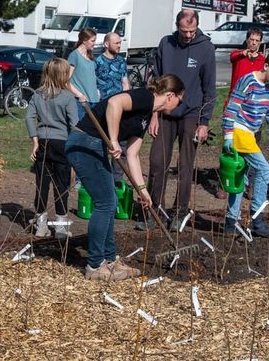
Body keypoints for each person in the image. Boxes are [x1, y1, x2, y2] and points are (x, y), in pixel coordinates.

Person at [68, 74, 184, 280]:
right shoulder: (144, 97)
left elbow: (132, 154)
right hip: (84, 143)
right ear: (169, 96)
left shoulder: (147, 115)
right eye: (179, 99)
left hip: (95, 146)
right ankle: (95, 266)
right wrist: (113, 140)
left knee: (110, 202)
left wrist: (143, 190)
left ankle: (110, 261)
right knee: (106, 203)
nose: (178, 104)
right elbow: (114, 102)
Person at [146, 9, 215, 229]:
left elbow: (209, 88)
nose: (188, 35)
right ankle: (153, 209)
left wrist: (204, 122)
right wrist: (154, 115)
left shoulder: (205, 48)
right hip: (165, 113)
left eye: (192, 31)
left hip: (191, 112)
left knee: (185, 165)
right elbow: (155, 82)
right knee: (157, 162)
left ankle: (179, 212)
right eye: (184, 31)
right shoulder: (166, 44)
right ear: (177, 26)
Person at [223, 51, 269, 236]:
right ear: (266, 66)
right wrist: (227, 135)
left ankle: (230, 222)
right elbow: (232, 107)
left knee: (239, 178)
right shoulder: (248, 81)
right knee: (265, 170)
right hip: (239, 130)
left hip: (250, 133)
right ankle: (257, 219)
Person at [24, 57, 78, 239]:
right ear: (63, 75)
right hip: (62, 143)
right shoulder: (68, 97)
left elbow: (29, 117)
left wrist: (35, 140)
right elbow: (74, 124)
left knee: (42, 185)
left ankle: (41, 225)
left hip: (44, 143)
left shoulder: (37, 94)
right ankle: (61, 228)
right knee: (61, 185)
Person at [228, 28, 266, 100]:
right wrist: (242, 54)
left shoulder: (262, 60)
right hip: (236, 98)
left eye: (257, 40)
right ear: (246, 40)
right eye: (251, 39)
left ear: (260, 43)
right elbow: (233, 56)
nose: (254, 43)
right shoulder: (238, 55)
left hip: (253, 100)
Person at [67, 28, 100, 107]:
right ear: (84, 40)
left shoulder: (90, 56)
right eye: (92, 41)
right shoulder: (74, 56)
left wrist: (97, 92)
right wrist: (79, 95)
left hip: (94, 100)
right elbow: (65, 81)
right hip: (81, 102)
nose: (94, 43)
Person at [94, 31, 130, 100]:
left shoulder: (121, 60)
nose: (119, 45)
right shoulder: (97, 61)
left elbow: (125, 83)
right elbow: (92, 83)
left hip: (119, 102)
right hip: (103, 102)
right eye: (116, 43)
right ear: (106, 44)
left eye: (120, 43)